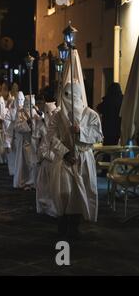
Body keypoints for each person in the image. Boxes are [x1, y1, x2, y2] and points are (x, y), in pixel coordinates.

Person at [47, 82, 103, 239]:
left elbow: (98, 135)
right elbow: (51, 137)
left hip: (83, 159)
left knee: (80, 194)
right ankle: (62, 223)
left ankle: (75, 226)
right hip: (64, 160)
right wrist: (64, 153)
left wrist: (81, 131)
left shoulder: (91, 115)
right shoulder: (57, 117)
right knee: (64, 192)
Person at [13, 95, 43, 190]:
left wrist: (39, 113)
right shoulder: (20, 113)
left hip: (34, 142)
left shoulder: (35, 112)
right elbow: (17, 127)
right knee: (26, 163)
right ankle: (25, 181)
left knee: (34, 163)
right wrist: (27, 123)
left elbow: (43, 120)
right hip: (25, 142)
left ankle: (33, 182)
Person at [36, 102, 60, 216]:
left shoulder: (60, 128)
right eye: (48, 112)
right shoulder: (42, 126)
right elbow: (42, 146)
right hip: (48, 160)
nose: (50, 115)